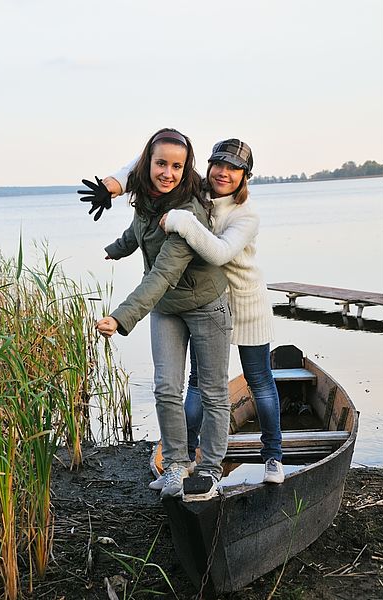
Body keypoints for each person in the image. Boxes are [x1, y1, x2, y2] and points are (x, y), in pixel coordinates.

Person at [108, 138, 284, 485]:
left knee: (258, 381)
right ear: (208, 166)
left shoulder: (245, 214)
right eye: (219, 165)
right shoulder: (199, 190)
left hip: (244, 302)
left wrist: (181, 220)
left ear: (245, 175)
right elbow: (149, 164)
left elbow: (219, 253)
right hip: (206, 300)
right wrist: (111, 185)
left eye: (234, 168)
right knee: (195, 385)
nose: (223, 173)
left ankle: (273, 456)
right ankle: (184, 457)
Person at [79, 128, 232, 501]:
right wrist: (117, 248)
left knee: (213, 392)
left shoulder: (187, 212)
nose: (167, 172)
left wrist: (120, 317)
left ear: (186, 169)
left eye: (177, 166)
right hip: (167, 309)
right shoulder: (148, 198)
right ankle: (177, 465)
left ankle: (210, 470)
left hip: (205, 307)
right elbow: (139, 230)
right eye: (161, 163)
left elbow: (162, 274)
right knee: (166, 387)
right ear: (147, 163)